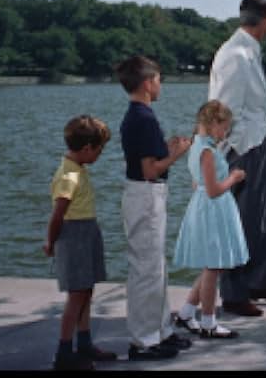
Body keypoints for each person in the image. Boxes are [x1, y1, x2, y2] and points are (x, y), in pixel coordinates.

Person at [209, 0, 266, 317]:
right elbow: (224, 110)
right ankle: (234, 293)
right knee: (242, 221)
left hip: (258, 140)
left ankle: (258, 283)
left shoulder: (247, 51)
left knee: (264, 218)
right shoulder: (236, 55)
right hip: (245, 148)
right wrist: (239, 150)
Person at [115, 55, 194, 361]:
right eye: (159, 80)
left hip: (144, 195)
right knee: (147, 270)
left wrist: (170, 150)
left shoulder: (137, 115)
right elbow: (150, 169)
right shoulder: (144, 119)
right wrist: (178, 154)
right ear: (148, 84)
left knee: (155, 267)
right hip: (146, 194)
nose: (161, 85)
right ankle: (144, 341)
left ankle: (161, 331)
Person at [42, 115, 116, 371]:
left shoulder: (77, 169)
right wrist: (50, 242)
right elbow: (58, 214)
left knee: (86, 290)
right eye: (99, 150)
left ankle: (84, 343)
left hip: (87, 231)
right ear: (86, 149)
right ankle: (64, 351)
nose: (100, 155)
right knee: (76, 295)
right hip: (74, 236)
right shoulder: (69, 177)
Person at [171, 100, 249, 339]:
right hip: (213, 207)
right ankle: (208, 323)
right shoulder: (206, 151)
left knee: (211, 266)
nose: (225, 133)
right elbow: (214, 189)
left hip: (206, 206)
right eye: (224, 127)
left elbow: (197, 183)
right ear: (214, 123)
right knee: (213, 266)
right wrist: (234, 177)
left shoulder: (197, 145)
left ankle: (186, 313)